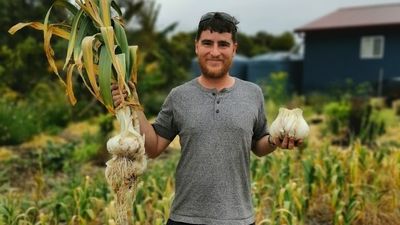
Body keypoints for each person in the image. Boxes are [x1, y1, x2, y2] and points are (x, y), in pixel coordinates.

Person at [112, 11, 302, 225]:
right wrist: (133, 105)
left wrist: (275, 140)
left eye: (223, 44)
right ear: (196, 46)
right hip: (185, 218)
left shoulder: (252, 93)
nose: (214, 52)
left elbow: (259, 145)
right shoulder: (179, 96)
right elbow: (153, 148)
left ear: (234, 49)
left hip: (238, 219)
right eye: (207, 43)